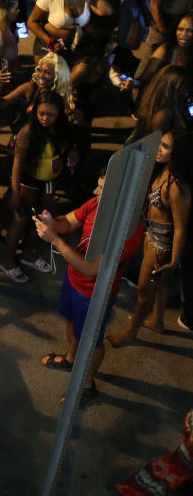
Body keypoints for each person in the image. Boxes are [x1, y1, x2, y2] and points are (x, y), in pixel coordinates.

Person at [34, 171, 145, 404]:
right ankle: (71, 359)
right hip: (73, 280)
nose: (95, 191)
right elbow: (69, 221)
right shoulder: (97, 204)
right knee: (72, 322)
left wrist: (54, 240)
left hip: (95, 293)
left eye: (102, 188)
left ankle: (87, 384)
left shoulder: (130, 230)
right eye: (98, 185)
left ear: (121, 195)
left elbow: (90, 269)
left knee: (92, 341)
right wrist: (52, 222)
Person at [108, 131, 191, 347]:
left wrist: (173, 261)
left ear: (178, 153)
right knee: (159, 286)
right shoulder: (164, 171)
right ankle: (157, 321)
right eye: (160, 143)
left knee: (145, 291)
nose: (159, 148)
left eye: (165, 146)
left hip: (160, 247)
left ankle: (131, 332)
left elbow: (181, 228)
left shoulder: (176, 187)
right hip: (151, 237)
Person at [0, 91, 78, 284]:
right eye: (41, 113)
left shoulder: (62, 129)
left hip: (50, 182)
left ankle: (27, 254)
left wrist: (73, 154)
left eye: (50, 114)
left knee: (43, 219)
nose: (45, 118)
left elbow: (70, 146)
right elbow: (17, 163)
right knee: (20, 221)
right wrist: (16, 191)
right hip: (29, 182)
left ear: (59, 113)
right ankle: (8, 261)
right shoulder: (27, 131)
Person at [28, 0, 112, 58]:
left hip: (74, 48)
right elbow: (31, 22)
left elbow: (107, 11)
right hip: (49, 47)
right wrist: (50, 42)